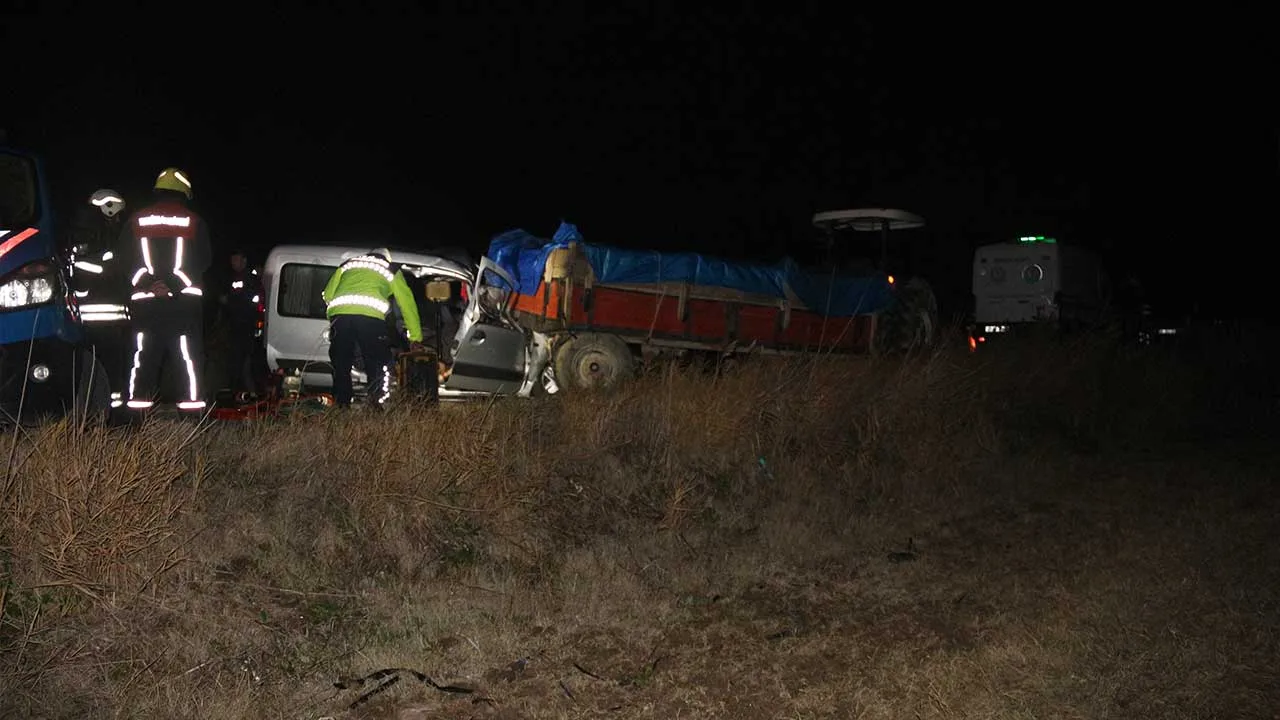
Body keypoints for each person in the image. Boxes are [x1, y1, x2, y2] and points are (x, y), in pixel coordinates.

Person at [119, 168, 212, 415]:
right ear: (184, 193)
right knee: (187, 361)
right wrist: (172, 284)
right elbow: (202, 260)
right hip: (183, 306)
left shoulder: (135, 220)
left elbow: (124, 260)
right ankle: (192, 417)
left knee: (142, 360)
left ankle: (136, 420)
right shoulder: (194, 221)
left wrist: (149, 284)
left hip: (146, 306)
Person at [322, 248, 423, 408]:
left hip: (340, 317)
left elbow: (327, 295)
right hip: (370, 318)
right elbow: (407, 303)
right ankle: (375, 404)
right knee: (377, 361)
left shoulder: (348, 264)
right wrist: (415, 337)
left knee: (341, 362)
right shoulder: (390, 268)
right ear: (387, 258)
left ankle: (341, 405)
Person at [68, 189, 132, 409]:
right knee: (112, 372)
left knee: (93, 373)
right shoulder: (101, 237)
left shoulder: (81, 234)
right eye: (117, 214)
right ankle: (115, 419)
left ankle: (98, 415)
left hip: (88, 320)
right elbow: (91, 274)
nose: (119, 219)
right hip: (107, 321)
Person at [218, 249, 265, 397]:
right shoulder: (231, 277)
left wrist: (230, 301)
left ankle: (251, 392)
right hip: (235, 325)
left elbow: (250, 300)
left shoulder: (250, 279)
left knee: (246, 360)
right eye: (232, 260)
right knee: (235, 359)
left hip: (247, 326)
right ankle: (236, 391)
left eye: (236, 260)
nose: (234, 263)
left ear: (244, 261)